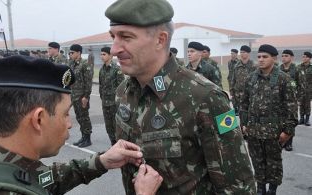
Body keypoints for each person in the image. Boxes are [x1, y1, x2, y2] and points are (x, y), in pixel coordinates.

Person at [105, 0, 256, 194]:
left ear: (160, 40)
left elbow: (238, 188)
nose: (114, 49)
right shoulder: (124, 91)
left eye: (126, 37)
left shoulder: (206, 98)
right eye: (113, 37)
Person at [0, 55, 163, 195]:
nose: (69, 124)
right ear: (38, 119)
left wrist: (102, 161)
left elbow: (47, 179)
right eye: (66, 114)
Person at [240, 44, 298, 195]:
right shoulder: (251, 78)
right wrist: (244, 124)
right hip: (253, 130)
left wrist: (288, 131)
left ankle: (272, 189)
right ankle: (260, 188)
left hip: (274, 131)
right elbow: (244, 103)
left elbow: (291, 107)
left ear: (274, 58)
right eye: (259, 57)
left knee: (274, 164)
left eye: (265, 57)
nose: (261, 60)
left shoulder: (283, 79)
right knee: (257, 161)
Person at [280, 49, 306, 151]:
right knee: (281, 121)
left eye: (286, 56)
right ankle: (282, 140)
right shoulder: (278, 69)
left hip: (292, 101)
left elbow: (302, 86)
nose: (283, 58)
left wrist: (298, 100)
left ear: (291, 57)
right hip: (280, 101)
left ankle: (289, 143)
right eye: (282, 56)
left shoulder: (297, 69)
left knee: (290, 121)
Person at [68, 44, 94, 147]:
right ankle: (83, 137)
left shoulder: (85, 64)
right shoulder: (73, 64)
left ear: (78, 53)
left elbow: (88, 82)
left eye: (72, 53)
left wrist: (86, 97)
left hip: (82, 97)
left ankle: (88, 139)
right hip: (74, 96)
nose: (70, 54)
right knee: (79, 117)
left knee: (84, 118)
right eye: (70, 53)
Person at [99, 47, 125, 145]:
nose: (101, 56)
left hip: (114, 103)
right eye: (101, 54)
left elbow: (121, 87)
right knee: (108, 126)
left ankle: (120, 146)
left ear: (110, 55)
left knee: (117, 126)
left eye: (104, 54)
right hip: (105, 103)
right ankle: (113, 144)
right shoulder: (102, 69)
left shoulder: (117, 69)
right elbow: (101, 86)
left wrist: (119, 102)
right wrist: (102, 98)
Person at [230, 45, 256, 114]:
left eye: (244, 52)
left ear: (248, 53)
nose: (242, 54)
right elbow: (233, 80)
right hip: (238, 96)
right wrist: (232, 93)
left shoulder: (254, 66)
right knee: (241, 115)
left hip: (250, 95)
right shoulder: (237, 66)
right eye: (241, 52)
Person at [298, 51, 312, 126]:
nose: (304, 58)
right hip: (300, 90)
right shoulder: (299, 67)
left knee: (307, 105)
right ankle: (301, 119)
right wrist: (294, 87)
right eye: (303, 56)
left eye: (306, 57)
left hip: (309, 90)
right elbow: (295, 80)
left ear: (309, 58)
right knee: (301, 104)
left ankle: (307, 119)